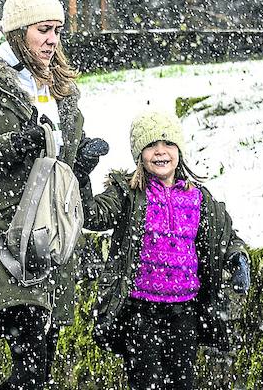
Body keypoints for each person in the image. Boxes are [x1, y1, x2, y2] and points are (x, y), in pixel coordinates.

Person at [0, 0, 107, 390]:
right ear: (18, 33)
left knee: (39, 358)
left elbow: (64, 165)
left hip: (47, 235)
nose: (52, 40)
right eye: (42, 30)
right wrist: (17, 144)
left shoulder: (62, 90)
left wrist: (83, 163)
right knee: (30, 339)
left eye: (57, 30)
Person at [83, 109, 251, 390]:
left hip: (184, 312)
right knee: (147, 383)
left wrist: (236, 256)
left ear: (179, 150)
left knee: (182, 383)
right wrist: (81, 173)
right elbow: (90, 214)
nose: (161, 152)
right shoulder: (128, 194)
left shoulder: (198, 197)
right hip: (140, 312)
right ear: (139, 154)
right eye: (151, 145)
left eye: (168, 144)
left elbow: (225, 235)